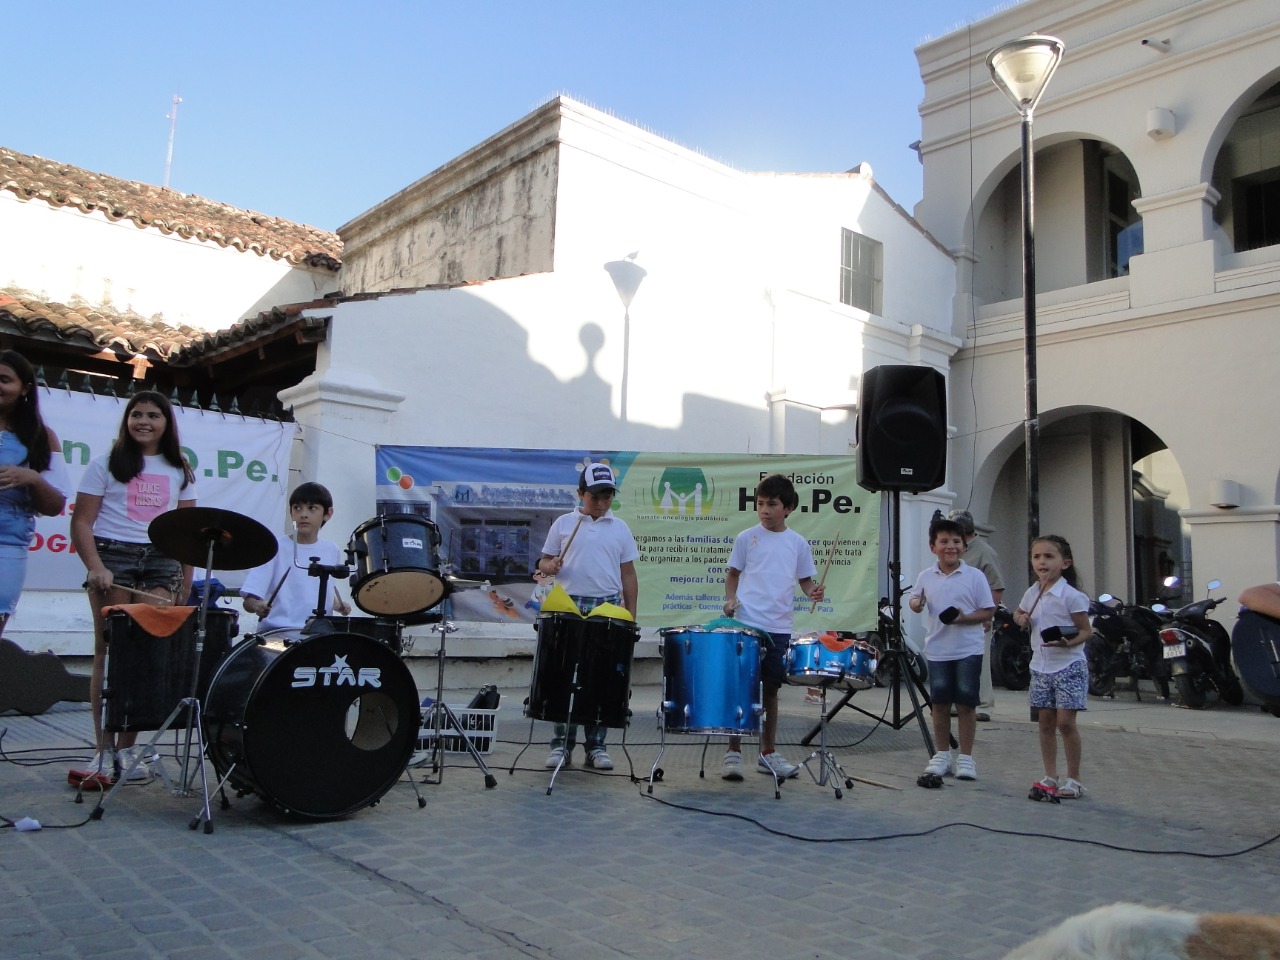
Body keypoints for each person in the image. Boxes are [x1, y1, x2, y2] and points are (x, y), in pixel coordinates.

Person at [69, 391, 196, 788]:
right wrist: (96, 567)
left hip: (162, 559)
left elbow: (186, 532)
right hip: (114, 557)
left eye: (153, 415)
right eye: (136, 414)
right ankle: (102, 749)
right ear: (127, 421)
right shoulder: (106, 463)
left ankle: (129, 749)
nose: (144, 421)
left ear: (166, 423)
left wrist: (186, 582)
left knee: (146, 655)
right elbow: (81, 522)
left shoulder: (180, 467)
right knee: (109, 652)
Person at [720, 473, 825, 781]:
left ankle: (767, 753)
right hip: (747, 624)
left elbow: (805, 580)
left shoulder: (797, 543)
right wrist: (730, 600)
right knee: (741, 687)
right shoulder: (746, 538)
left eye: (772, 504)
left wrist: (813, 591)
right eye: (760, 504)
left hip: (778, 627)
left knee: (771, 690)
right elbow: (733, 574)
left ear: (788, 508)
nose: (765, 510)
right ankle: (733, 751)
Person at [535, 462, 639, 771]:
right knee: (565, 677)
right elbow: (544, 562)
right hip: (569, 606)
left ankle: (596, 745)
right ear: (580, 493)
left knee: (599, 679)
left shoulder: (620, 528)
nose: (602, 503)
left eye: (607, 497)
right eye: (595, 497)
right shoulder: (564, 523)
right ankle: (561, 744)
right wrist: (549, 566)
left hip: (606, 608)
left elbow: (628, 574)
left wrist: (630, 617)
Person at [907, 517, 995, 782]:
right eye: (944, 541)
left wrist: (963, 618)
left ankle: (966, 758)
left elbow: (988, 610)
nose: (951, 546)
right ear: (933, 547)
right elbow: (915, 599)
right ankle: (942, 755)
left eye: (956, 541)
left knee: (967, 703)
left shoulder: (975, 576)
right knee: (939, 704)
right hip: (937, 649)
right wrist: (916, 604)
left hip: (968, 649)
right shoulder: (926, 576)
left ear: (964, 546)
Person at [1013, 534, 1093, 800]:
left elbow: (1085, 631)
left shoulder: (1071, 596)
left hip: (1069, 665)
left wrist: (1067, 643)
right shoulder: (1032, 592)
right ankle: (1050, 775)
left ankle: (1074, 779)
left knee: (1065, 723)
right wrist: (1021, 618)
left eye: (1049, 556)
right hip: (1040, 667)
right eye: (1036, 557)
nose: (1042, 562)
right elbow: (1018, 613)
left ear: (1065, 563)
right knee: (1045, 723)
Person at [0, 350, 69, 639]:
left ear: (25, 388)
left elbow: (55, 505)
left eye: (4, 380)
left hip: (7, 546)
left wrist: (33, 479)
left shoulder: (42, 437)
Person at [241, 481, 351, 633]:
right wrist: (258, 606)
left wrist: (338, 604)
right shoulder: (274, 547)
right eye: (297, 508)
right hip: (277, 632)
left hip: (317, 632)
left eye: (312, 508)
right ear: (291, 513)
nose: (303, 514)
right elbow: (249, 600)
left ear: (328, 513)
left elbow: (319, 590)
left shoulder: (332, 550)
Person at [949, 509, 1005, 721]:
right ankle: (958, 701)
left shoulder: (984, 551)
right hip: (954, 617)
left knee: (979, 662)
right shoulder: (956, 550)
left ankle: (983, 705)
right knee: (955, 661)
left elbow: (996, 586)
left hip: (978, 616)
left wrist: (988, 615)